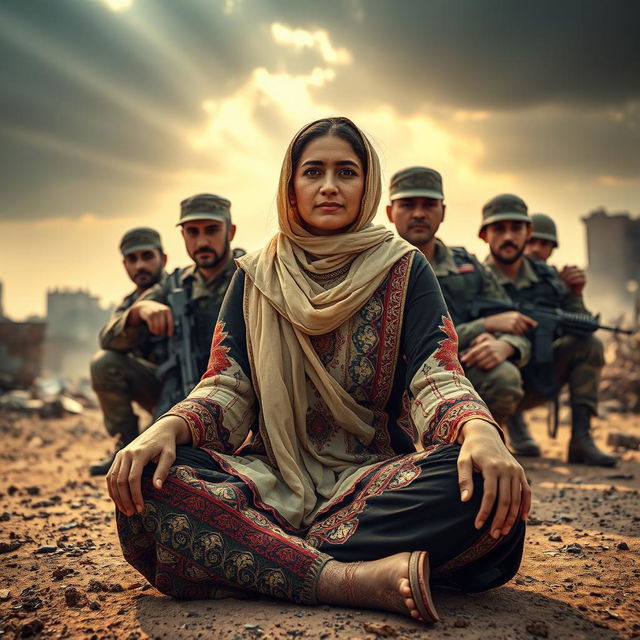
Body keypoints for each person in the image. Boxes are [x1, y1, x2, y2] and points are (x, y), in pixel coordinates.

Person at [107, 118, 530, 624]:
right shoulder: (255, 275)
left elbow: (434, 375)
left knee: (482, 483)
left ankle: (250, 553)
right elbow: (227, 385)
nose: (329, 186)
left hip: (375, 478)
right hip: (267, 476)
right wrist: (165, 429)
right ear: (291, 187)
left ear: (367, 185)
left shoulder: (404, 267)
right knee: (154, 480)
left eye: (346, 172)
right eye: (313, 172)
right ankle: (348, 579)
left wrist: (480, 432)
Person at [386, 166, 535, 435]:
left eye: (429, 204)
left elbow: (516, 326)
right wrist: (483, 325)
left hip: (453, 377)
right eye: (408, 204)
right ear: (389, 212)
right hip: (388, 383)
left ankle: (481, 443)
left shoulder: (469, 270)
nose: (419, 213)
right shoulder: (374, 267)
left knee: (504, 378)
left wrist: (505, 345)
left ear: (442, 211)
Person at [480, 194, 616, 466]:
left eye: (516, 229)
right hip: (490, 381)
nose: (509, 237)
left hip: (539, 377)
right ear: (485, 235)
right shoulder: (475, 279)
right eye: (499, 229)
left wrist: (575, 295)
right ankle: (491, 443)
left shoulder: (549, 280)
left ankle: (581, 438)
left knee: (590, 345)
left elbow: (582, 328)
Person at [116, 193, 244, 418]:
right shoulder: (174, 284)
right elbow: (109, 336)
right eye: (192, 232)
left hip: (240, 392)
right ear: (183, 235)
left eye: (212, 230)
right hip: (180, 393)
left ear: (230, 232)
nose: (202, 242)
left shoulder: (249, 275)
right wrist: (140, 310)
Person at [89, 227, 168, 476]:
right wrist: (136, 314)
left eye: (147, 256)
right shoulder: (129, 303)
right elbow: (107, 339)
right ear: (124, 264)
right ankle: (128, 443)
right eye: (132, 260)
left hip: (197, 385)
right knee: (103, 363)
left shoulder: (181, 287)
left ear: (162, 259)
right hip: (158, 386)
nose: (139, 265)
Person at [525, 213, 588, 297]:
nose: (536, 249)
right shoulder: (506, 276)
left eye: (544, 244)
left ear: (552, 249)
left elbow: (574, 310)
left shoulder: (556, 281)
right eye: (530, 241)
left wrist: (574, 294)